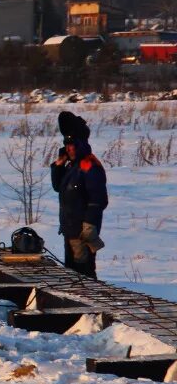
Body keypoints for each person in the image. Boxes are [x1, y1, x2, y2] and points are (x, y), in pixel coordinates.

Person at [50, 111, 108, 278]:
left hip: (83, 231)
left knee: (83, 273)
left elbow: (98, 199)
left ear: (81, 144)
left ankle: (91, 301)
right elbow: (57, 187)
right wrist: (58, 166)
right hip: (70, 229)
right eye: (67, 145)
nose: (70, 148)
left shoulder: (89, 165)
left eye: (73, 145)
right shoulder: (71, 167)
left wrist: (89, 225)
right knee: (72, 272)